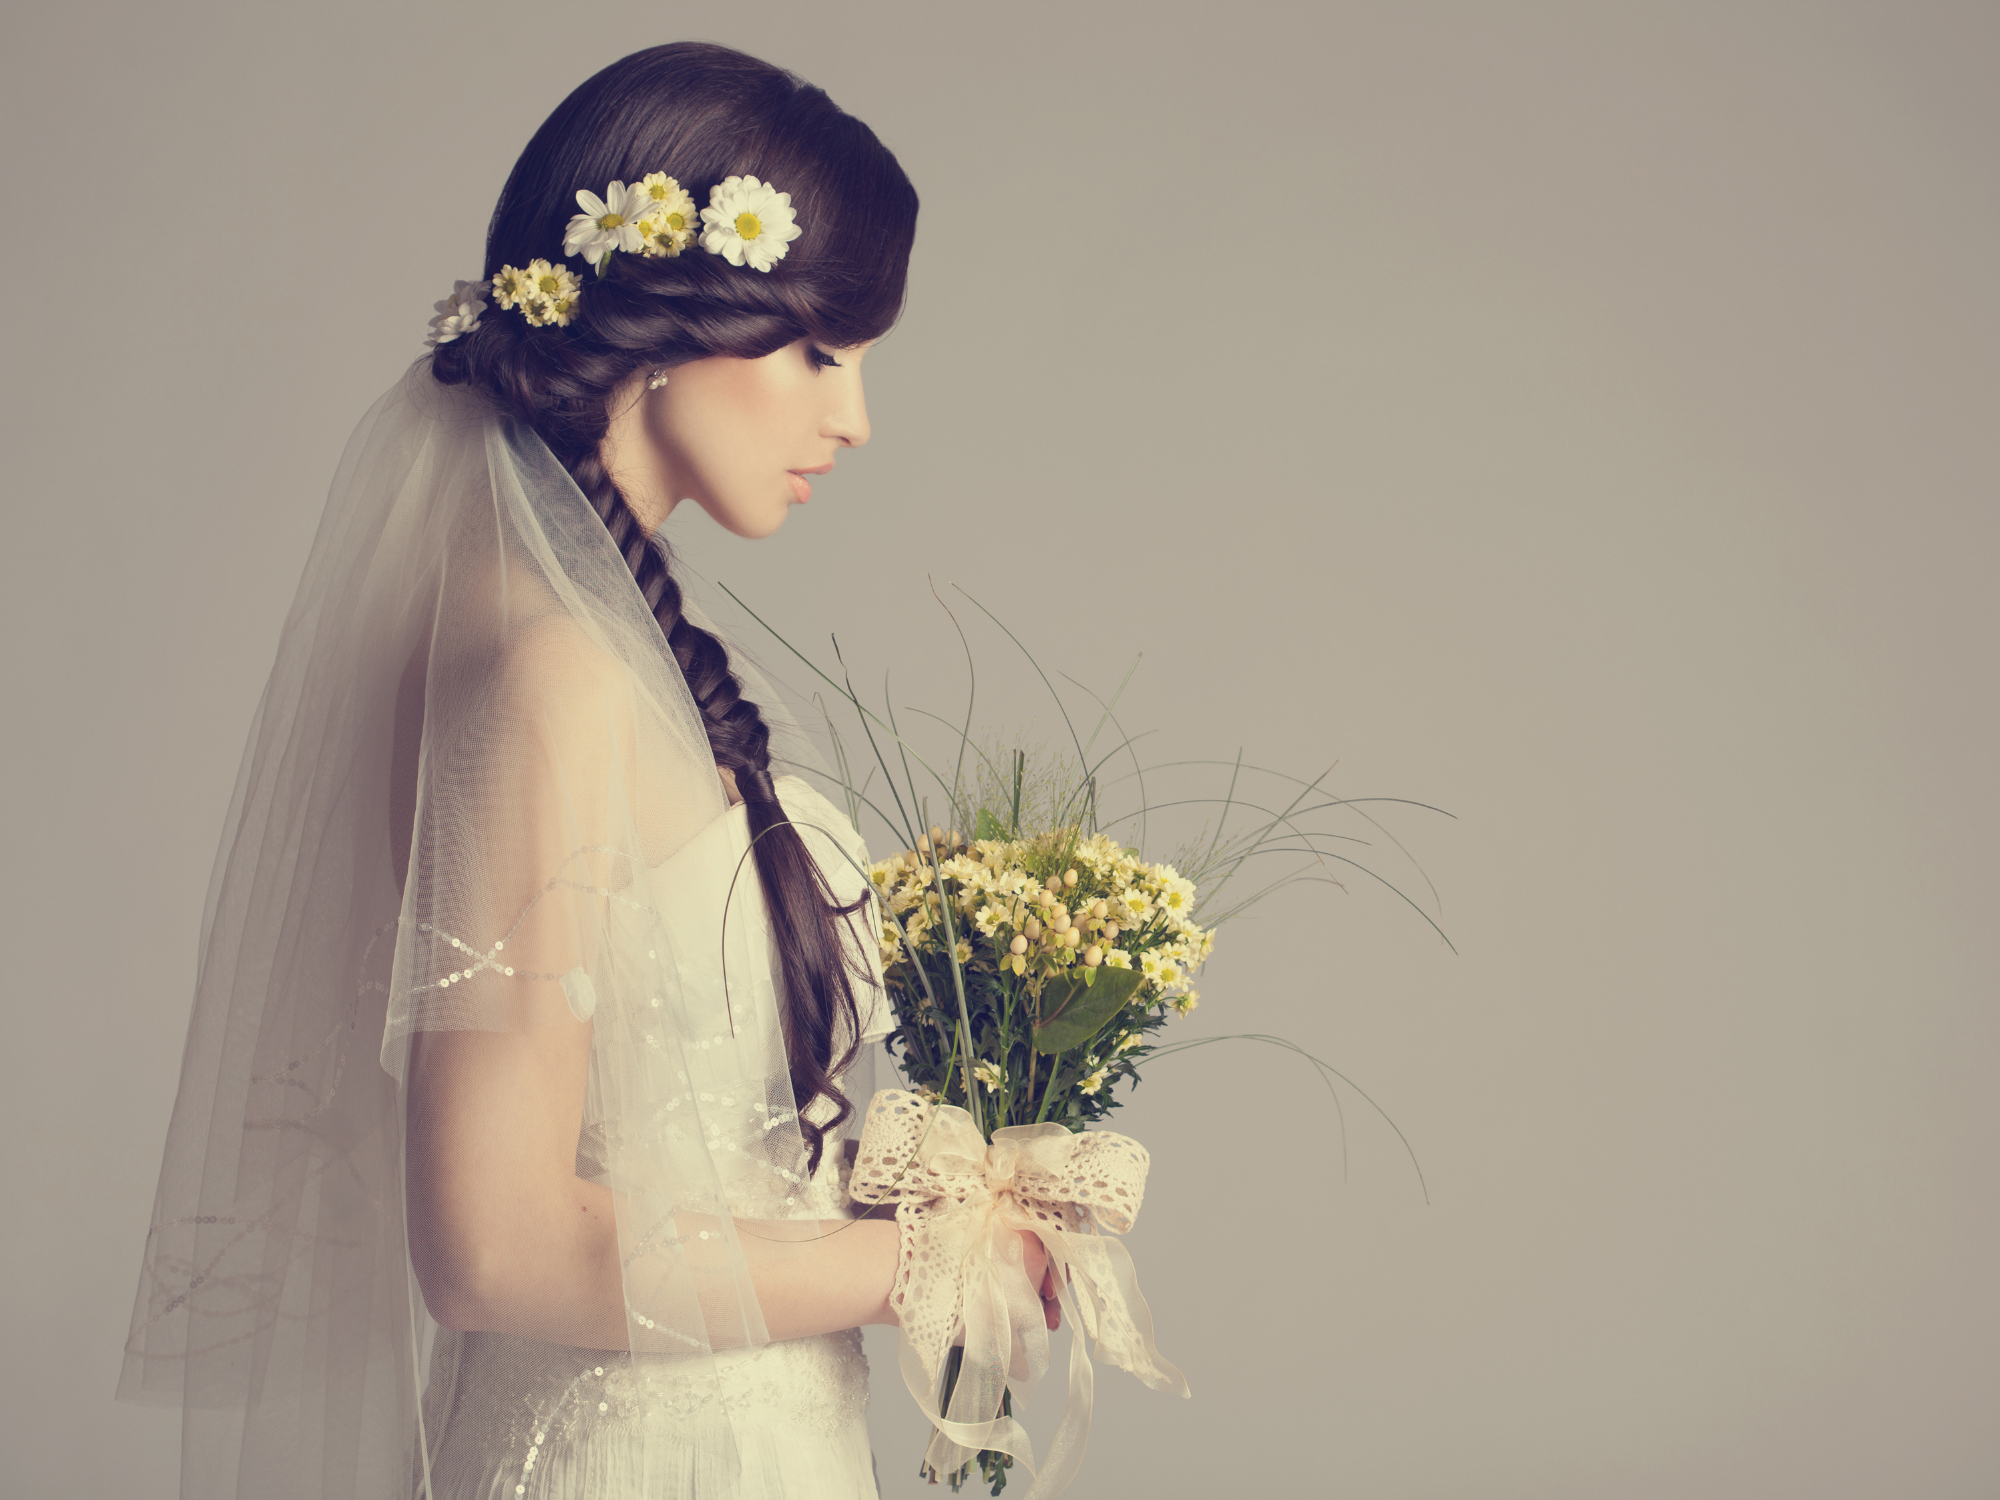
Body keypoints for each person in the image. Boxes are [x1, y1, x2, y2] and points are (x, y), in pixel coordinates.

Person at [118, 41, 1057, 1500]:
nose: (855, 419)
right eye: (822, 351)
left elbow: (686, 1149)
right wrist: (907, 1265)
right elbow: (487, 1246)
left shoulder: (617, 656)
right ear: (676, 316)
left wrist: (939, 1192)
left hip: (762, 1445)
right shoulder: (548, 678)